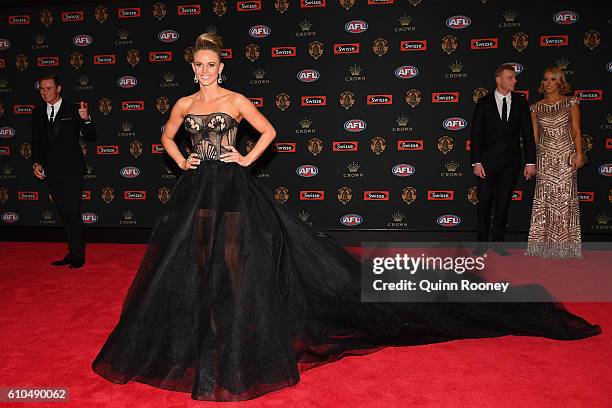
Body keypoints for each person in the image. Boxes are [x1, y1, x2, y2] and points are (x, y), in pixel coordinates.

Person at [92, 35, 600, 401]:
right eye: (198, 65)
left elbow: (268, 134)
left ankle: (236, 328)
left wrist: (242, 158)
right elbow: (165, 137)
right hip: (195, 188)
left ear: (221, 68)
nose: (204, 72)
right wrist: (183, 160)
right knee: (195, 258)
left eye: (210, 65)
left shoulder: (236, 100)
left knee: (234, 259)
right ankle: (204, 327)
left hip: (232, 187)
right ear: (192, 68)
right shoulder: (184, 102)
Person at [31, 74, 97, 268]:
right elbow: (37, 142)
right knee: (64, 212)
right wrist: (36, 163)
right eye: (42, 89)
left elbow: (91, 136)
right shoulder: (37, 113)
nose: (45, 92)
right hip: (51, 171)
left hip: (72, 170)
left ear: (59, 89)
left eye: (49, 88)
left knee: (72, 210)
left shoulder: (73, 108)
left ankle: (78, 254)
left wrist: (86, 119)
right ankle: (72, 250)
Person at [470, 64, 536, 255]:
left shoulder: (521, 101)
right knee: (484, 202)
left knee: (503, 202)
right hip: (487, 162)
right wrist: (476, 162)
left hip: (511, 162)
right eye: (510, 77)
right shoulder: (483, 103)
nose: (515, 80)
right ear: (498, 80)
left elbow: (528, 133)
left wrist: (530, 162)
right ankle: (481, 244)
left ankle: (498, 244)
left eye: (514, 77)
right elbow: (476, 134)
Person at [526, 67, 583, 258]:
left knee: (565, 199)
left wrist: (579, 154)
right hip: (544, 158)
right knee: (545, 200)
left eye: (552, 79)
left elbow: (576, 130)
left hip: (567, 157)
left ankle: (565, 247)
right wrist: (530, 161)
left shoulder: (571, 102)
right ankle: (542, 246)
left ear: (560, 82)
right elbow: (534, 137)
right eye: (545, 80)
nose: (548, 83)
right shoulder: (535, 107)